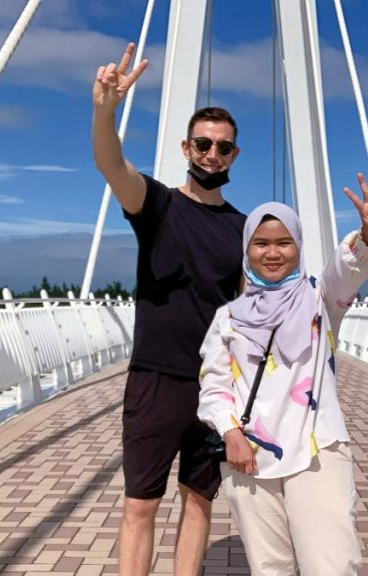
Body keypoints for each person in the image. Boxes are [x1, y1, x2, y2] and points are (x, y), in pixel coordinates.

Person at [92, 42, 248, 576]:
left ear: (234, 156)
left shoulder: (243, 228)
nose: (211, 155)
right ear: (186, 147)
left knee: (199, 500)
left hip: (214, 384)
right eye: (202, 144)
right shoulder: (156, 205)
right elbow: (112, 165)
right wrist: (106, 111)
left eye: (222, 148)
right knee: (141, 504)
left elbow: (254, 306)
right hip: (156, 377)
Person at [197, 174, 368, 575]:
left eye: (284, 242)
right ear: (246, 249)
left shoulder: (321, 299)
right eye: (261, 243)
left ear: (298, 247)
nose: (273, 253)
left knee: (332, 564)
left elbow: (348, 271)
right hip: (248, 456)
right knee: (270, 568)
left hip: (318, 450)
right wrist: (231, 433)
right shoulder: (227, 319)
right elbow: (213, 385)